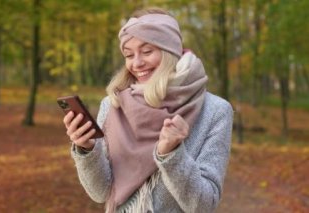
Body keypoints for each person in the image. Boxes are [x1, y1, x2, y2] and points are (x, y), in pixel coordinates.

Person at [62, 7, 233, 213]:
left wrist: (172, 155)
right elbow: (100, 192)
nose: (137, 63)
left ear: (170, 50)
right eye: (128, 54)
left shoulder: (214, 111)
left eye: (147, 51)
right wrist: (86, 149)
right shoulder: (113, 104)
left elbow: (204, 205)